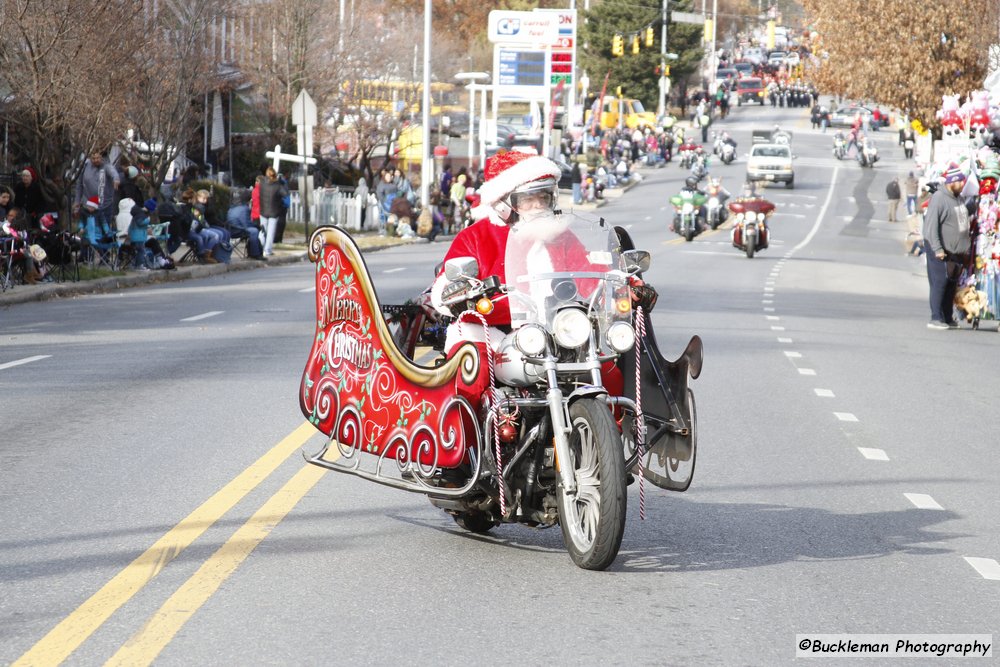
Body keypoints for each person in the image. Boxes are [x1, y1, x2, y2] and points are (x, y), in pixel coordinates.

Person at [429, 150, 656, 404]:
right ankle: (466, 442)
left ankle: (606, 438)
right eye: (529, 199)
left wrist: (628, 286)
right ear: (505, 203)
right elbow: (444, 288)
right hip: (490, 331)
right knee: (472, 373)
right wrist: (457, 294)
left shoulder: (561, 235)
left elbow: (592, 272)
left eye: (544, 197)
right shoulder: (475, 236)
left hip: (555, 331)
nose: (538, 206)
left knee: (607, 373)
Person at [922, 163, 972, 329]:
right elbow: (931, 227)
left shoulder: (958, 198)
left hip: (955, 252)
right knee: (940, 282)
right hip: (940, 250)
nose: (963, 185)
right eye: (960, 182)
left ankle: (947, 317)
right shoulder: (939, 198)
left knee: (951, 283)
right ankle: (935, 317)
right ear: (952, 182)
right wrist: (938, 249)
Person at [74, 151, 120, 229]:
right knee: (89, 230)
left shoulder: (106, 166)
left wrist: (116, 179)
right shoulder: (85, 166)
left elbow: (113, 172)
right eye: (93, 158)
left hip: (105, 206)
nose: (95, 160)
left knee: (104, 231)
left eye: (98, 158)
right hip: (88, 206)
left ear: (102, 158)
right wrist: (77, 202)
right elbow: (79, 185)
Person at [258, 167, 288, 258]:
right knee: (270, 232)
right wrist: (282, 183)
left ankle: (259, 248)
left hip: (263, 211)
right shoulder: (278, 186)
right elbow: (285, 194)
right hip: (274, 212)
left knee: (263, 231)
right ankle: (267, 250)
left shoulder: (262, 184)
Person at [226, 190, 264, 259]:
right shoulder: (244, 208)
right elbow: (246, 224)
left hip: (230, 229)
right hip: (237, 230)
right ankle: (255, 254)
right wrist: (257, 226)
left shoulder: (232, 208)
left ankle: (254, 252)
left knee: (253, 230)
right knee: (254, 231)